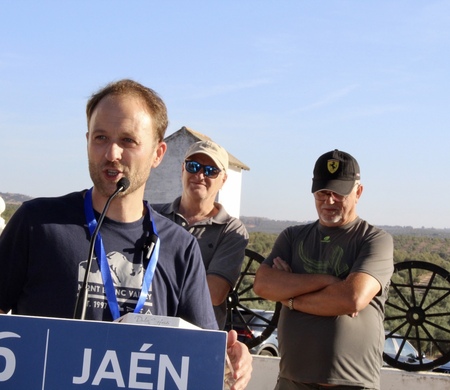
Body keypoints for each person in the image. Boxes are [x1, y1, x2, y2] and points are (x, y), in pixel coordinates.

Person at [0, 79, 251, 389]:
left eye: (128, 141)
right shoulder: (36, 223)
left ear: (158, 153)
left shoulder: (179, 247)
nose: (111, 153)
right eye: (100, 137)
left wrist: (231, 357)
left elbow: (203, 352)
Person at [253, 149, 394, 390]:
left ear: (358, 192)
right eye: (322, 193)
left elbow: (351, 298)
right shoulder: (292, 237)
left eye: (338, 193)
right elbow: (263, 284)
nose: (328, 201)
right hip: (292, 381)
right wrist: (329, 282)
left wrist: (290, 298)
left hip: (352, 383)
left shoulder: (374, 240)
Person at [152, 139, 249, 329]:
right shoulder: (152, 215)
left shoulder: (231, 230)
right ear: (182, 170)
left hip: (197, 339)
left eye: (211, 171)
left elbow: (214, 293)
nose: (200, 175)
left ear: (223, 179)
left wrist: (155, 281)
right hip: (151, 329)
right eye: (193, 166)